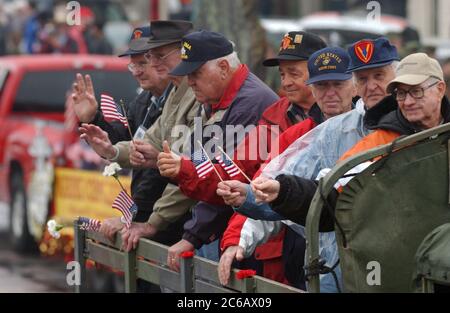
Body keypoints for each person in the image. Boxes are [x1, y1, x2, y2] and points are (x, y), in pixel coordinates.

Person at [217, 37, 400, 292]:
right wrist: (244, 211)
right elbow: (275, 184)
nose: (330, 93)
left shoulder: (412, 122)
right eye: (322, 86)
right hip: (329, 268)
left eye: (337, 84)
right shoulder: (319, 133)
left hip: (394, 263)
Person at [258, 52, 450, 233]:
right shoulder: (381, 142)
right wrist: (284, 191)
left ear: (440, 89)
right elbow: (332, 194)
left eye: (416, 92)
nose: (407, 102)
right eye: (401, 94)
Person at [156, 30, 279, 271]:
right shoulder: (213, 100)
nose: (190, 81)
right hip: (221, 232)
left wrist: (192, 236)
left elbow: (226, 180)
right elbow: (203, 162)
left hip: (245, 239)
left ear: (224, 67)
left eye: (196, 73)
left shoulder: (250, 103)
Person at [77, 20, 198, 249]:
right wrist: (94, 119)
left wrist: (135, 217)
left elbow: (166, 169)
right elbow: (130, 144)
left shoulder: (188, 93)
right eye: (134, 65)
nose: (139, 71)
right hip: (155, 219)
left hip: (175, 222)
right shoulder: (147, 100)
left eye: (147, 60)